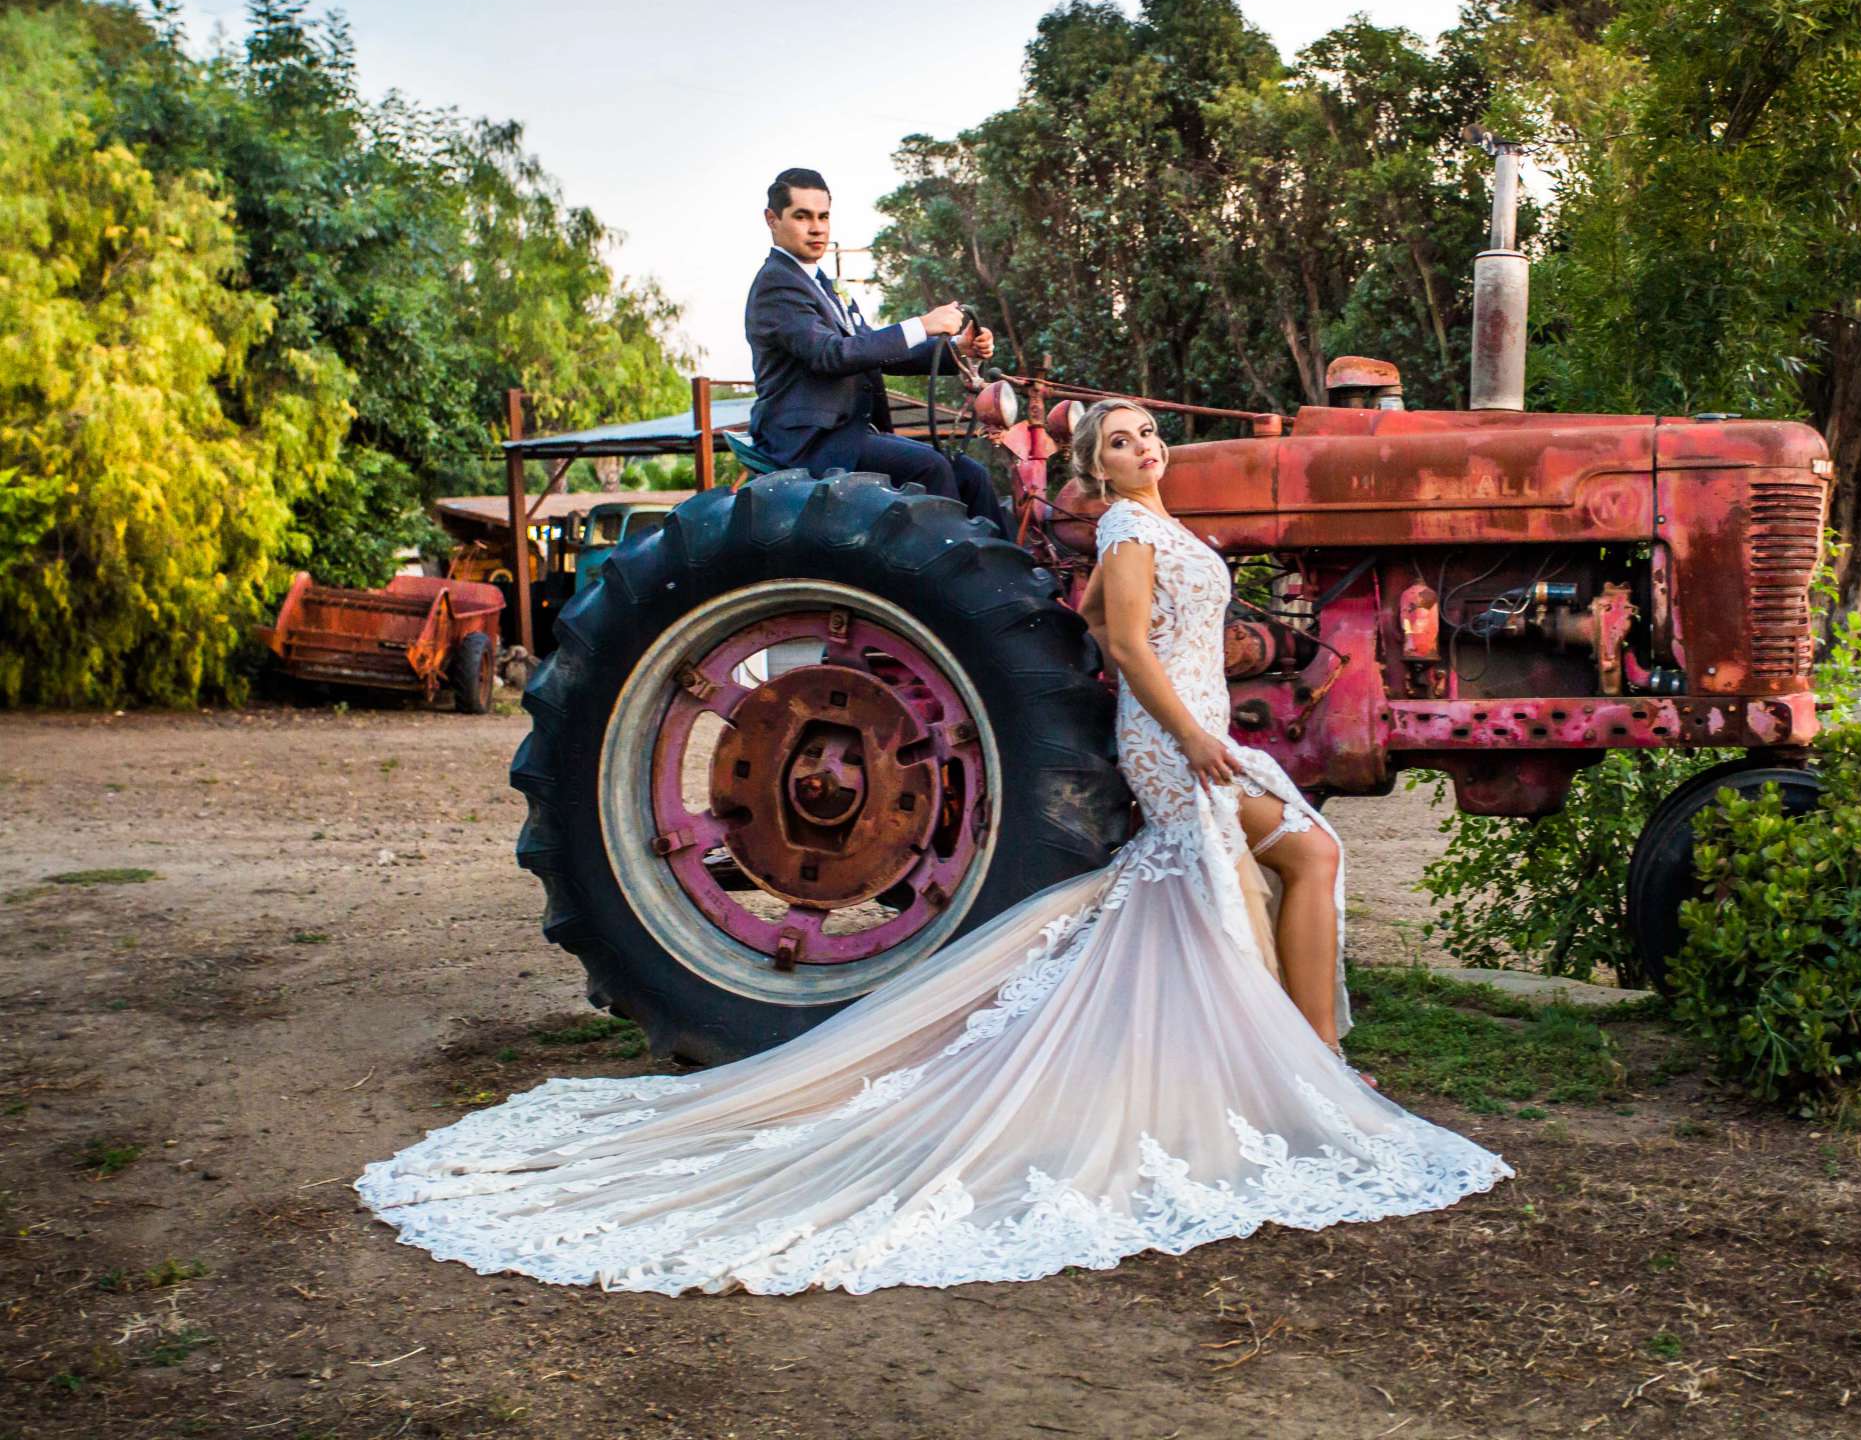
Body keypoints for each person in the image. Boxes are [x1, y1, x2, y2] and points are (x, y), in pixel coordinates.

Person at [356, 399, 1509, 1297]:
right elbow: (1119, 639)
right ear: (1095, 463)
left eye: (1150, 433)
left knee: (1274, 870)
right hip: (1176, 737)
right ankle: (1309, 1074)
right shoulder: (1118, 526)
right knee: (1273, 868)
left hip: (1195, 729)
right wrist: (1196, 731)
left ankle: (1303, 1067)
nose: (1146, 446)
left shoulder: (1160, 521)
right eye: (1122, 438)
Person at [744, 167, 1005, 526]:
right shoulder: (777, 285)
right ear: (772, 220)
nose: (817, 228)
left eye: (823, 216)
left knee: (969, 474)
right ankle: (945, 573)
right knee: (930, 467)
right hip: (810, 441)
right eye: (801, 216)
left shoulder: (821, 283)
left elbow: (876, 352)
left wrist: (957, 348)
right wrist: (922, 325)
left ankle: (1004, 574)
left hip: (847, 435)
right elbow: (832, 355)